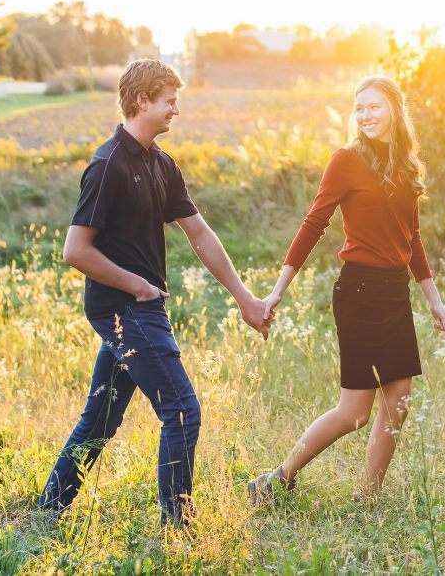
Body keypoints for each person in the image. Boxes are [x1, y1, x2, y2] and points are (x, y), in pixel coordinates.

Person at [37, 58, 271, 525]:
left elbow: (200, 234)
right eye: (169, 101)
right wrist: (138, 285)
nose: (175, 111)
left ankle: (46, 512)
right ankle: (178, 529)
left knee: (100, 420)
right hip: (125, 309)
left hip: (139, 307)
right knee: (182, 411)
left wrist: (245, 298)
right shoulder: (107, 166)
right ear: (141, 101)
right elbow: (75, 250)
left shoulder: (161, 164)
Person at [248, 75, 445, 504]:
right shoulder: (346, 159)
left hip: (395, 292)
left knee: (398, 402)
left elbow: (411, 238)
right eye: (359, 108)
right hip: (359, 293)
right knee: (355, 411)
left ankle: (368, 496)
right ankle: (277, 478)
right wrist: (277, 290)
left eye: (374, 107)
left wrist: (434, 299)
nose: (365, 115)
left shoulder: (406, 165)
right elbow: (313, 224)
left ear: (395, 111)